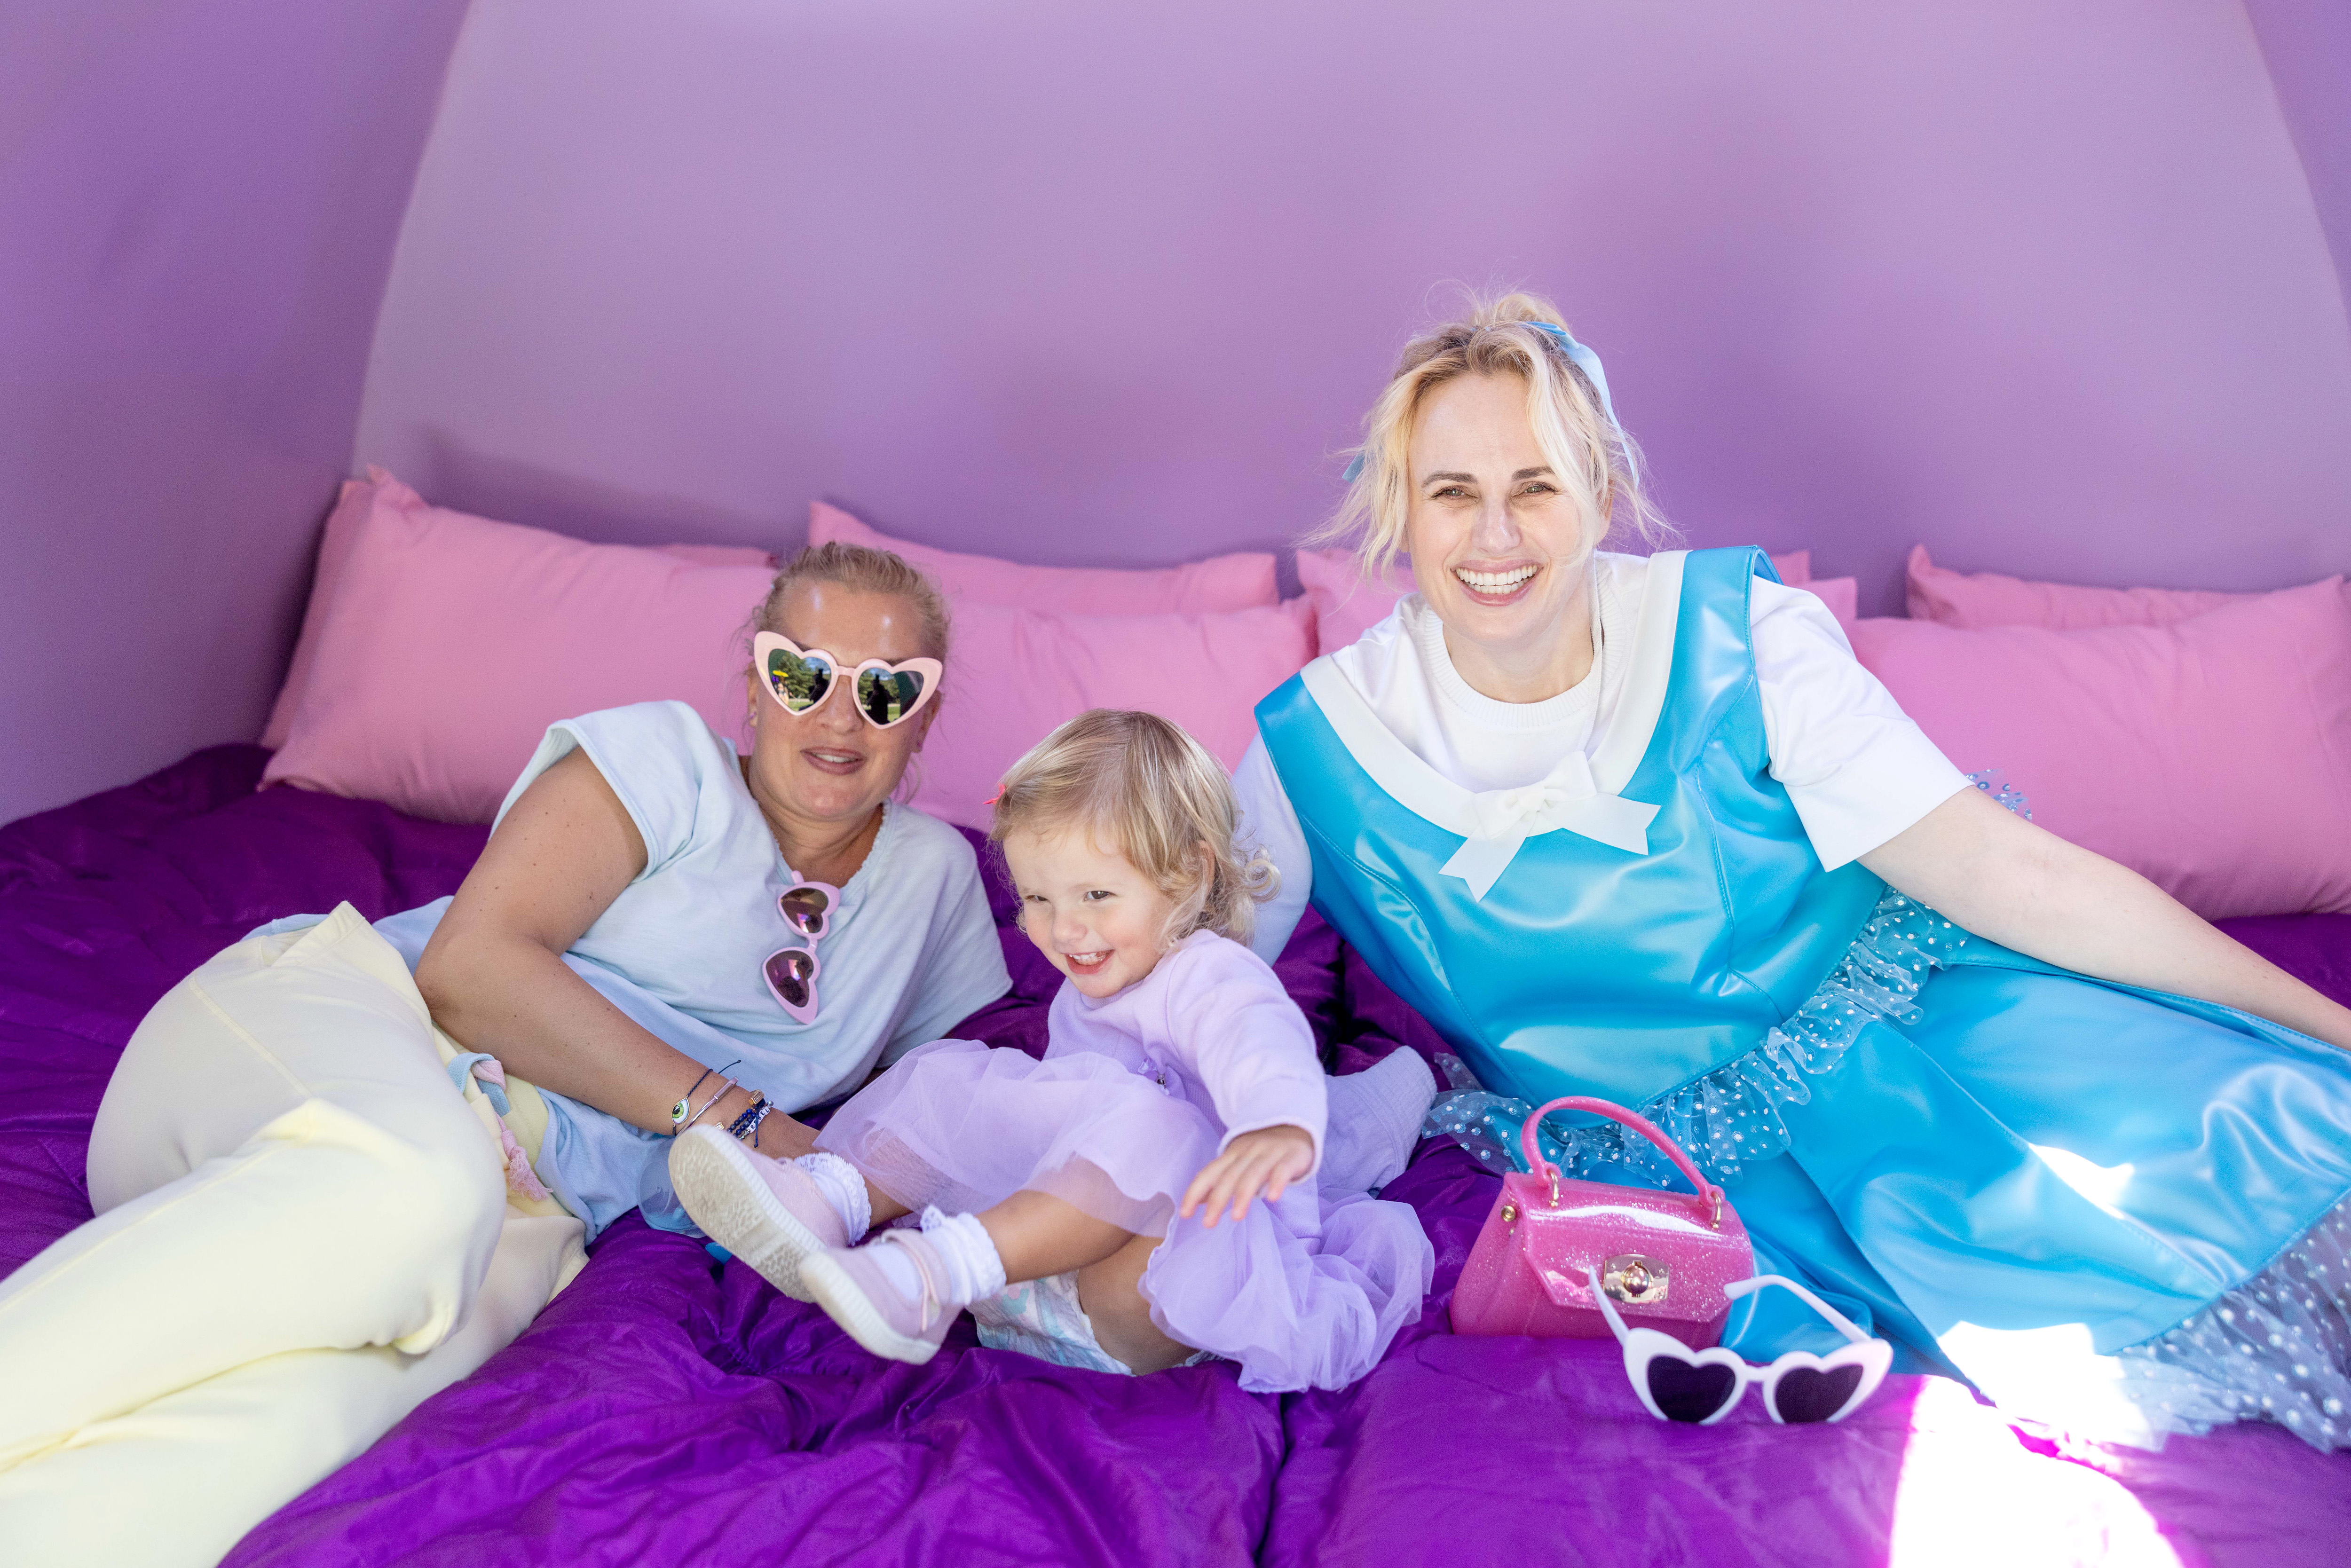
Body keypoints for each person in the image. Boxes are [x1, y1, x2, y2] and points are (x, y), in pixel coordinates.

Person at [1232, 292, 2351, 1448]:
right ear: (1399, 512)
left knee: (2266, 1149)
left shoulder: (1740, 638)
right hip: (1652, 1171)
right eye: (1452, 493)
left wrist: (2332, 1025)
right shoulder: (1312, 746)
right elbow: (1179, 981)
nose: (1495, 537)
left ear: (1603, 494)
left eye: (1537, 486)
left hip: (1920, 1049)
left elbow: (2005, 869)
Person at [0, 543, 1017, 1568]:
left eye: (888, 689)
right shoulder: (666, 763)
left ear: (926, 716)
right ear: (754, 688)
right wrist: (740, 1118)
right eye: (801, 672)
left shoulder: (937, 884)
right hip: (339, 1040)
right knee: (413, 1195)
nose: (839, 714)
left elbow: (950, 1103)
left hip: (534, 1211)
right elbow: (470, 970)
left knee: (304, 1430)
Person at [673, 709, 1436, 1390]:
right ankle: (828, 1198)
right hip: (1032, 1288)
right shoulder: (1092, 985)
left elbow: (1258, 1043)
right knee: (952, 1074)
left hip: (1153, 1295)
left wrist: (1274, 1121)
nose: (1065, 931)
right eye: (1038, 899)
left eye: (1097, 896)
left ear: (1190, 873)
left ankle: (929, 1274)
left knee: (1159, 1130)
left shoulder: (1209, 973)